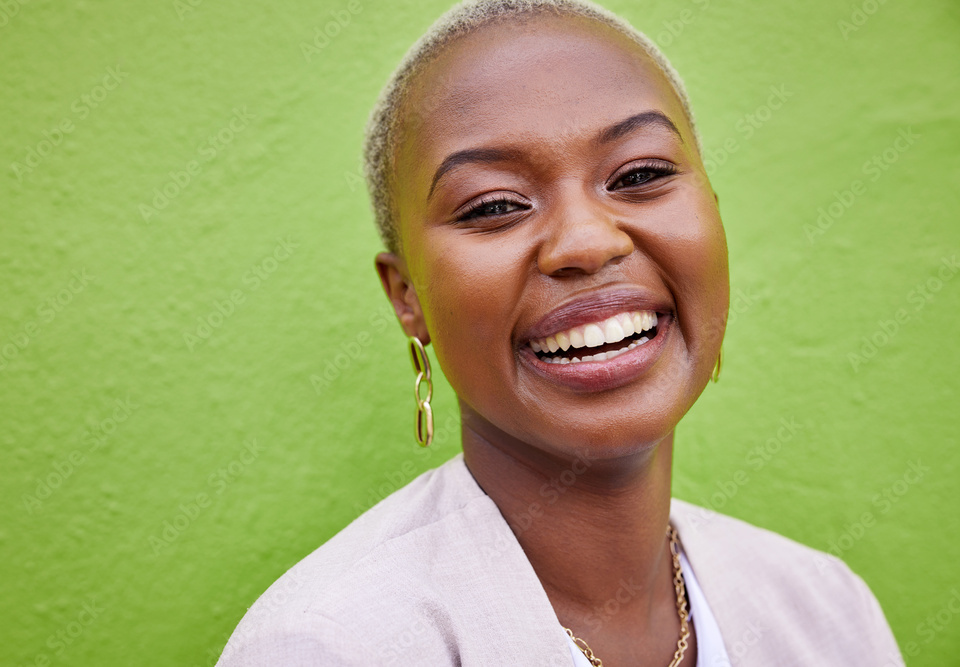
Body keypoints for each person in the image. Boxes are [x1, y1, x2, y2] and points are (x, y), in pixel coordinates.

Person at [218, 0, 904, 664]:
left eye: (640, 174)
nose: (584, 241)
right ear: (408, 298)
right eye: (494, 206)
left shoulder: (829, 613)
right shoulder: (328, 644)